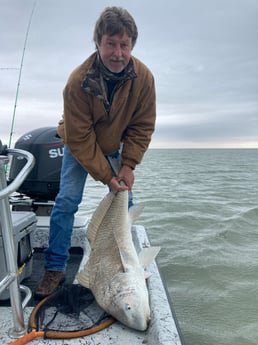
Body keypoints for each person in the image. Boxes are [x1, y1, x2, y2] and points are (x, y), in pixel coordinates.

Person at [35, 6, 156, 298]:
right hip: (80, 145)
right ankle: (55, 268)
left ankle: (124, 268)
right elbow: (80, 136)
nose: (117, 52)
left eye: (124, 45)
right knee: (66, 202)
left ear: (131, 46)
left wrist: (128, 166)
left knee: (124, 209)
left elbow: (142, 125)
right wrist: (106, 176)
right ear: (98, 43)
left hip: (117, 147)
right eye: (110, 44)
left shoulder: (144, 79)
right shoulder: (77, 82)